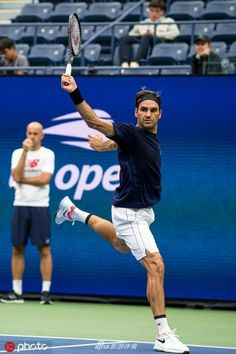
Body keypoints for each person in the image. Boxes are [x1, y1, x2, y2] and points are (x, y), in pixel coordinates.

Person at [55, 74, 190, 354]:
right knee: (156, 266)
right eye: (144, 110)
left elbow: (119, 144)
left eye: (153, 110)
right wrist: (75, 92)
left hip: (139, 211)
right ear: (136, 113)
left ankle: (74, 212)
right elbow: (94, 122)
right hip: (131, 212)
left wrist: (106, 145)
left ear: (160, 114)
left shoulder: (142, 138)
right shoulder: (130, 131)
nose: (148, 114)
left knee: (119, 244)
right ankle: (163, 335)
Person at [1, 122, 55, 305]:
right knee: (17, 248)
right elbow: (15, 177)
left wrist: (23, 179)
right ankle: (17, 293)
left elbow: (44, 179)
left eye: (35, 133)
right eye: (29, 133)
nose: (32, 137)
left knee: (44, 249)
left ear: (42, 135)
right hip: (20, 204)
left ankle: (46, 293)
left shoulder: (48, 154)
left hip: (40, 206)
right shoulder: (17, 153)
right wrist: (25, 152)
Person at [119, 0, 179, 67]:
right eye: (151, 10)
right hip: (144, 40)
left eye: (157, 11)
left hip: (159, 41)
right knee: (124, 39)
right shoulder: (143, 22)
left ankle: (137, 62)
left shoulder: (168, 21)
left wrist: (155, 33)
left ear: (162, 12)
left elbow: (175, 34)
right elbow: (131, 34)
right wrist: (141, 33)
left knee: (147, 37)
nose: (153, 13)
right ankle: (124, 62)